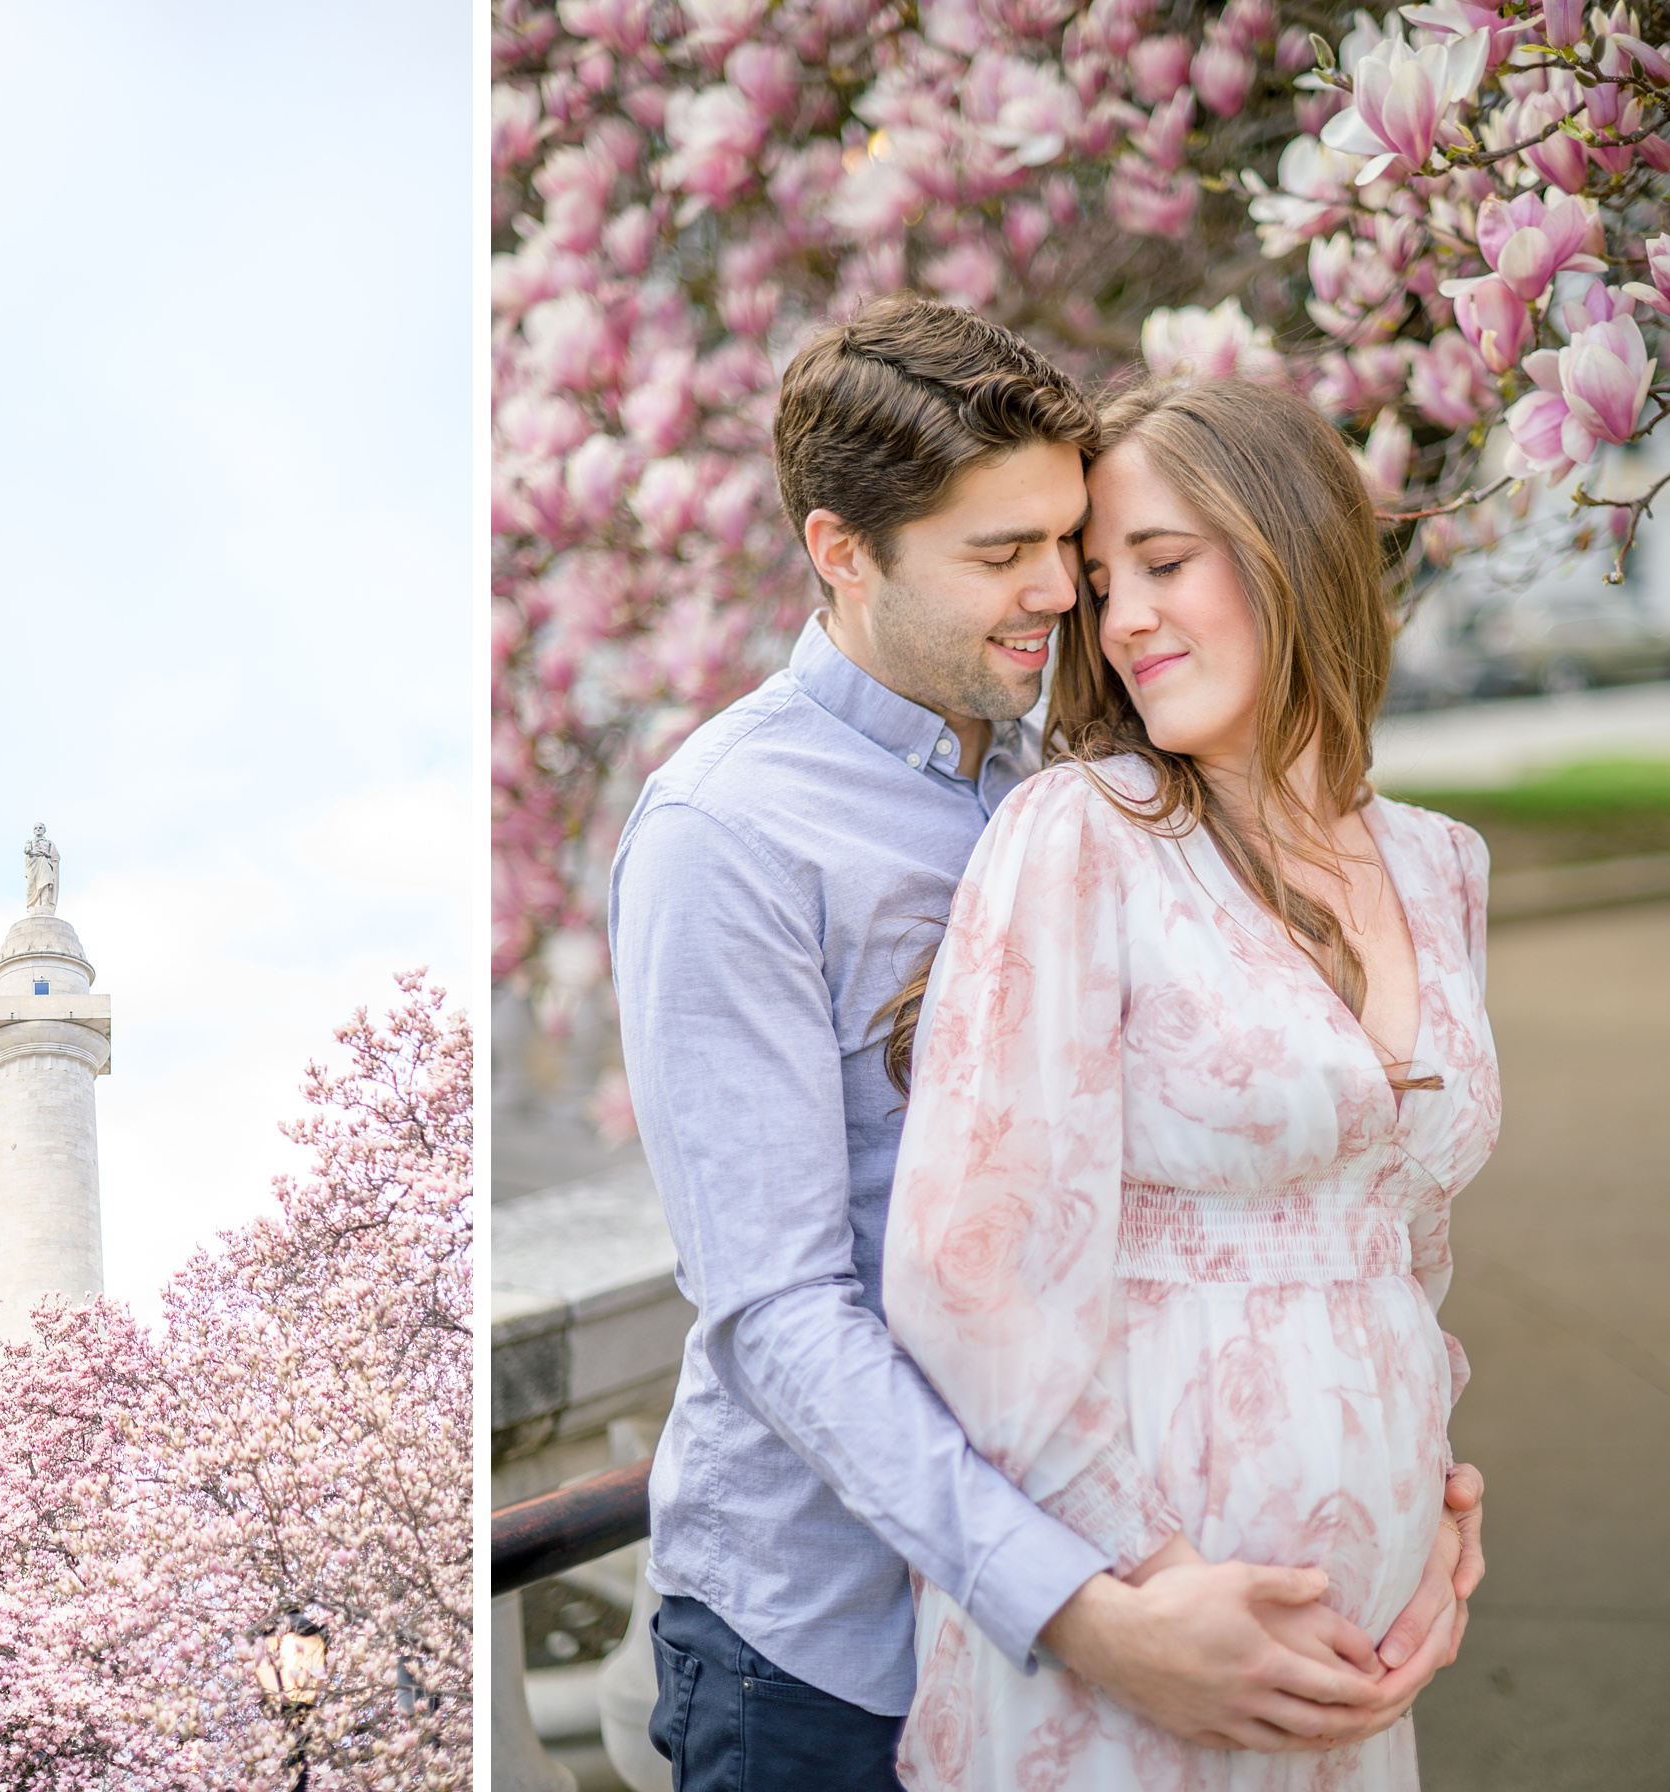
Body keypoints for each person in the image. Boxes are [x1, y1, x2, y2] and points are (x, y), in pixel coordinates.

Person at [607, 295, 1482, 1792]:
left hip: (1166, 1612)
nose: (1061, 600)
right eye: (1000, 558)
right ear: (842, 553)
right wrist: (1081, 1607)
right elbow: (777, 1308)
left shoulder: (1091, 766)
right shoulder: (727, 833)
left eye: (1066, 550)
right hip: (831, 1645)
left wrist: (1404, 1468)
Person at [882, 374, 1497, 1788]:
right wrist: (1147, 1597)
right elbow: (972, 1271)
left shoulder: (1440, 866)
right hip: (1146, 1645)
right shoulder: (1083, 838)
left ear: (1295, 546)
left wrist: (1436, 1492)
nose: (1125, 618)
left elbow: (1404, 1242)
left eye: (1163, 565)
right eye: (1103, 586)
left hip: (1363, 1656)